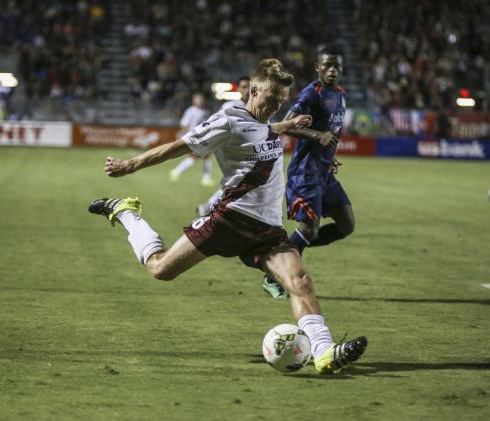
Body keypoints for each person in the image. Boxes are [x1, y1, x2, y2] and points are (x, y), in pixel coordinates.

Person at [88, 58, 367, 374]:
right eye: (271, 98)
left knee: (299, 281)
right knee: (161, 269)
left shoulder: (264, 122)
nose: (276, 105)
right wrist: (131, 165)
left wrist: (288, 126)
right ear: (253, 89)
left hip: (268, 230)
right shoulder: (227, 119)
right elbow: (180, 146)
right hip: (229, 219)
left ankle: (324, 352)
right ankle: (127, 213)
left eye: (281, 100)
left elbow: (262, 129)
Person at [262, 45, 355, 299]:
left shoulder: (340, 94)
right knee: (309, 228)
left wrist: (329, 157)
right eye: (327, 65)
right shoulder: (311, 94)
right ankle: (274, 274)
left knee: (346, 225)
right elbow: (286, 124)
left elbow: (331, 133)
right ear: (318, 67)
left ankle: (286, 251)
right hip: (305, 174)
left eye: (337, 66)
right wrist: (317, 135)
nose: (332, 70)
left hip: (325, 173)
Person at [196, 76, 251, 216]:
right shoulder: (230, 106)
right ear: (238, 89)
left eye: (249, 87)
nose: (247, 90)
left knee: (238, 181)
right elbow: (216, 124)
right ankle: (214, 208)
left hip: (245, 150)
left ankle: (209, 207)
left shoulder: (254, 106)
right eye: (244, 87)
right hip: (230, 149)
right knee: (240, 180)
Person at [169, 93, 214, 186]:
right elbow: (184, 124)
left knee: (203, 156)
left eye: (200, 99)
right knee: (203, 156)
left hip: (202, 137)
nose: (199, 101)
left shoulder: (205, 111)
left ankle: (176, 172)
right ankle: (205, 179)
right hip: (194, 137)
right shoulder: (190, 111)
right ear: (193, 101)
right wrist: (186, 138)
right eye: (197, 99)